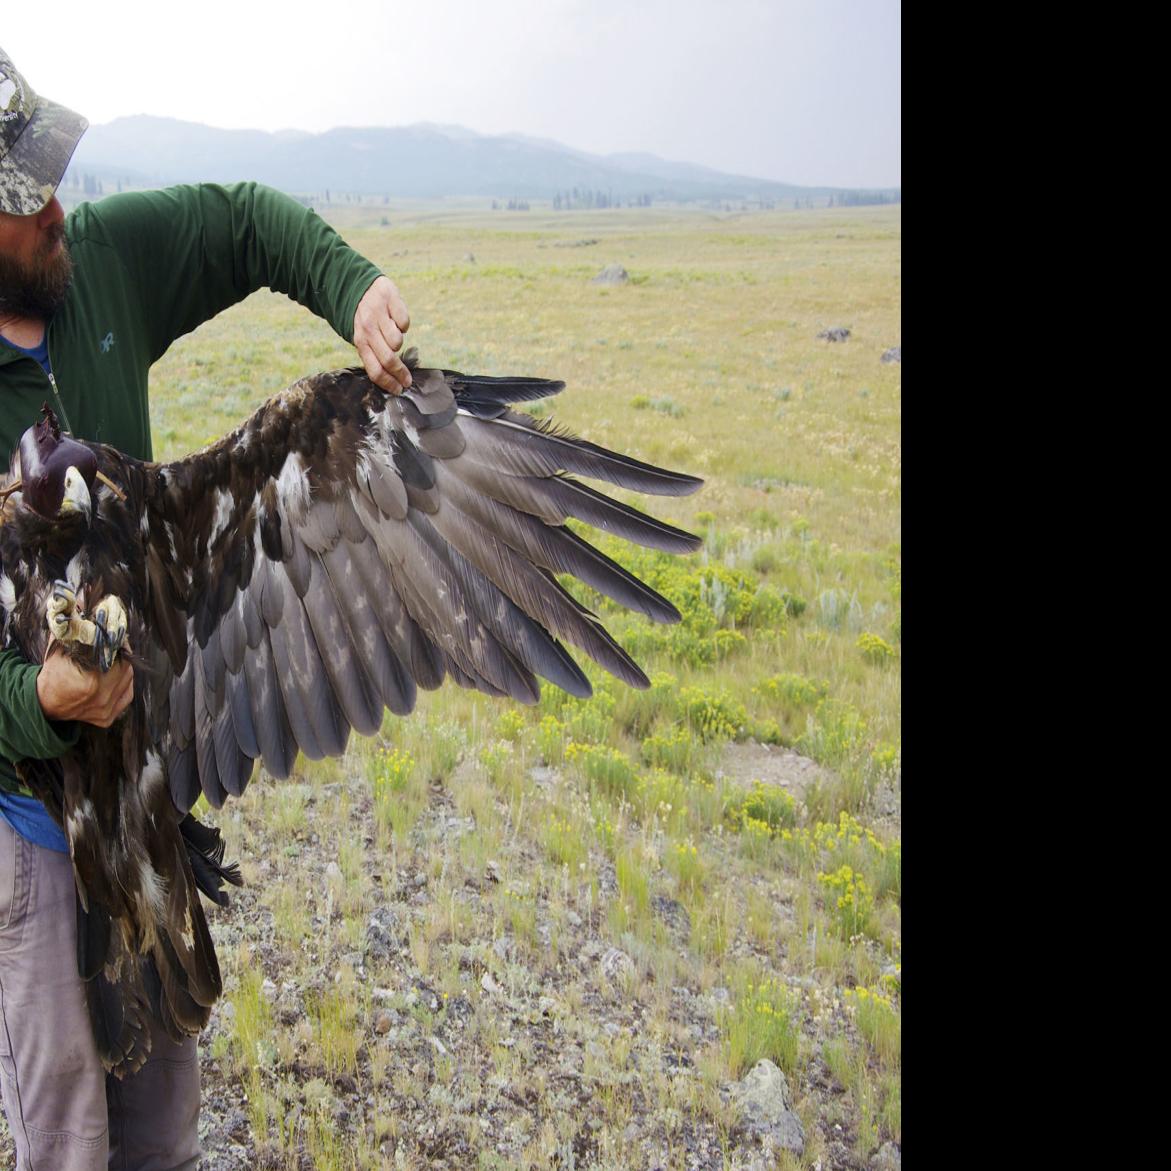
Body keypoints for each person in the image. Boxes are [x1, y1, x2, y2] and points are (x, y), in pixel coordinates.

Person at [0, 46, 412, 1169]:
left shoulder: (102, 263)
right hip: (26, 827)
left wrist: (351, 287)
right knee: (68, 1145)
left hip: (145, 801)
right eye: (22, 194)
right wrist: (41, 703)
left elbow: (241, 222)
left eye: (46, 177)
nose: (53, 208)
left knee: (165, 1135)